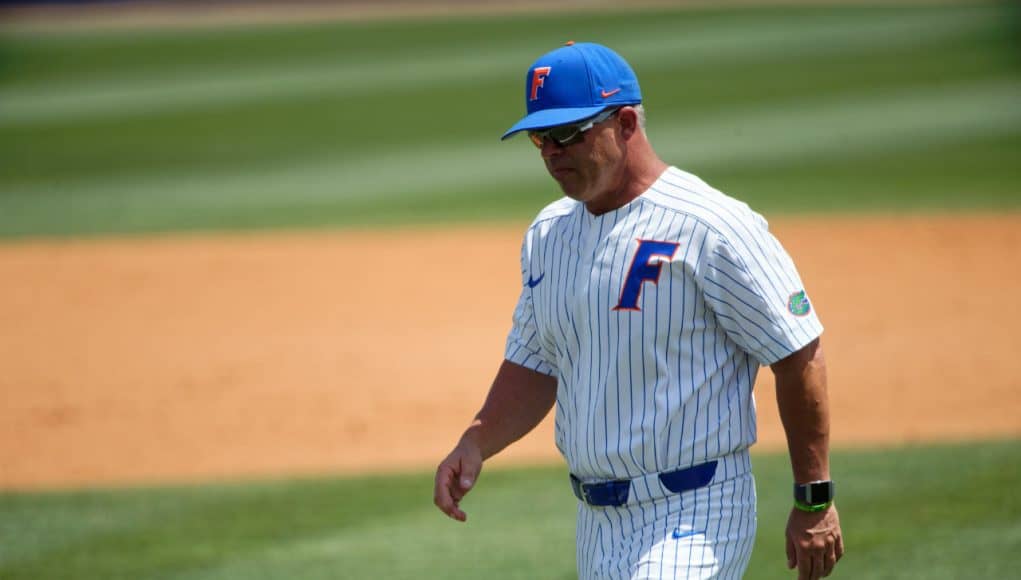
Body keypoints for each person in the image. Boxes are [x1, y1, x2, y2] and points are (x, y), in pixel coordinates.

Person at [433, 41, 844, 580]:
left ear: (625, 122)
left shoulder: (711, 226)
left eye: (567, 135)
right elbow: (537, 362)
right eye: (540, 138)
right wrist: (475, 442)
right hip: (596, 523)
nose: (552, 153)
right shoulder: (549, 234)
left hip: (696, 510)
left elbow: (798, 353)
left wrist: (813, 499)